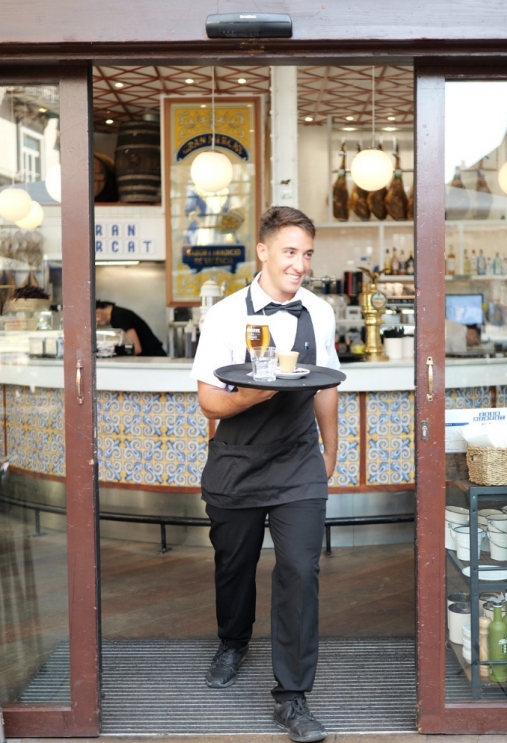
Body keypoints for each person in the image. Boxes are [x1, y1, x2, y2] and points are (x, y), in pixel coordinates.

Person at [190, 206, 339, 743]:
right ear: (263, 251)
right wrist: (256, 394)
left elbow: (325, 385)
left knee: (300, 569)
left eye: (307, 254)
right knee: (234, 563)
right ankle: (233, 641)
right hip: (237, 458)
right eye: (290, 252)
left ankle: (293, 697)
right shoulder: (225, 315)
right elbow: (209, 400)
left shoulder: (319, 312)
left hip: (297, 459)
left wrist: (330, 449)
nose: (300, 264)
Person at [95, 300, 166, 356]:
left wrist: (107, 351)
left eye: (96, 322)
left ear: (98, 314)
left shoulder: (120, 317)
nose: (97, 325)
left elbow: (135, 348)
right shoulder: (117, 315)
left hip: (153, 359)